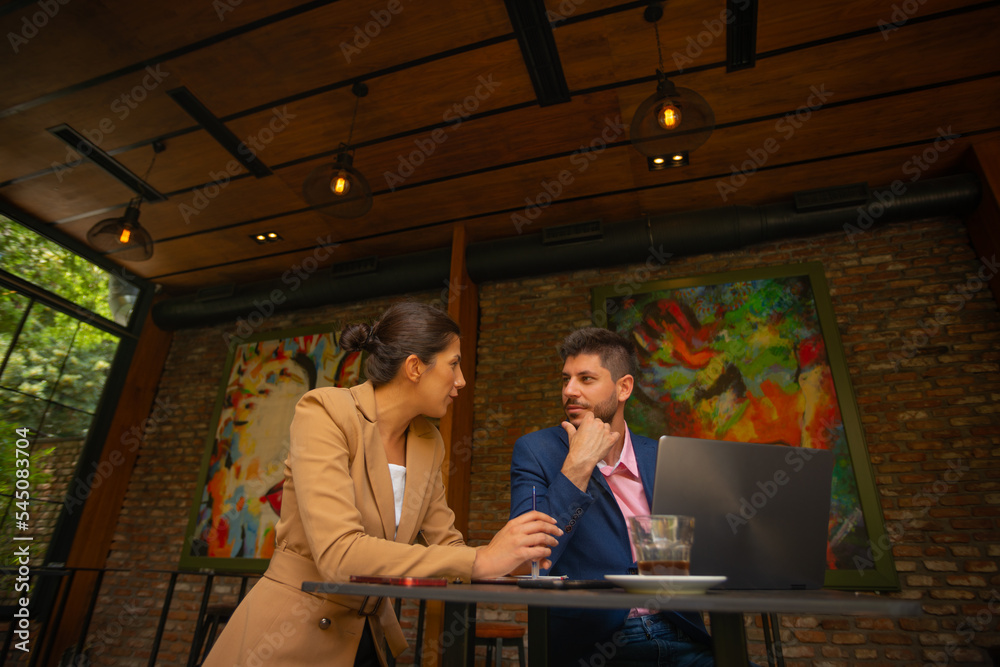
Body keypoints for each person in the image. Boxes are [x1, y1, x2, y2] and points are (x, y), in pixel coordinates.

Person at [205, 302, 561, 667]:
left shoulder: (428, 440)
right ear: (414, 367)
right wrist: (479, 560)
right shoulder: (325, 412)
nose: (461, 381)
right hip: (288, 638)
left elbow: (449, 548)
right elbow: (339, 555)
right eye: (453, 364)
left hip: (365, 640)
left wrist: (510, 559)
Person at [509, 327, 715, 667]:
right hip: (598, 647)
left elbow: (696, 554)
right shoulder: (536, 452)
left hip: (681, 634)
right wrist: (577, 466)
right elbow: (526, 559)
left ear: (624, 388)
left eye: (586, 379)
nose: (569, 391)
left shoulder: (662, 457)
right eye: (566, 379)